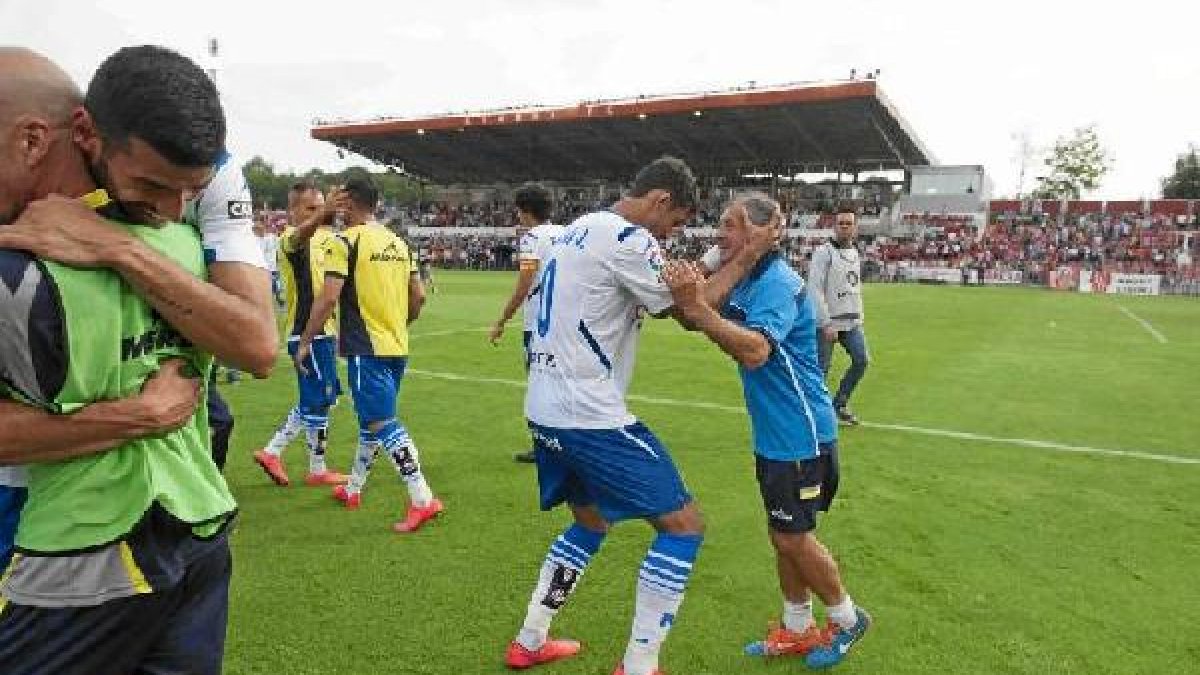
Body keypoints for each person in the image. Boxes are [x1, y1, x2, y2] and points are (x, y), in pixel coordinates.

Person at [0, 45, 238, 674]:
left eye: (186, 191)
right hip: (199, 530)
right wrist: (136, 414)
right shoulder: (184, 248)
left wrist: (119, 250)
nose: (170, 208)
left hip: (81, 551)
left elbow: (258, 345)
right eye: (155, 188)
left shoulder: (19, 271)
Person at [504, 157, 778, 675]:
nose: (670, 235)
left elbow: (679, 280)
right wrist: (747, 257)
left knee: (590, 523)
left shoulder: (583, 226)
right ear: (659, 202)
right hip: (587, 414)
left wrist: (722, 253)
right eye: (674, 223)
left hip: (543, 408)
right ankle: (639, 665)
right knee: (683, 526)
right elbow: (692, 310)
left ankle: (530, 639)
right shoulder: (630, 239)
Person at [663, 193, 871, 671]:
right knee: (783, 533)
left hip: (802, 435)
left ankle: (847, 617)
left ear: (759, 233)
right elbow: (689, 312)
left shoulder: (778, 282)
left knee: (793, 537)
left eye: (731, 225)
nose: (721, 233)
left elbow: (754, 350)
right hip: (776, 434)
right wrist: (730, 260)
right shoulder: (752, 274)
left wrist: (704, 311)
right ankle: (798, 628)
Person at [295, 175, 442, 533]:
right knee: (371, 421)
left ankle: (422, 498)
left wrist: (305, 341)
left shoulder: (344, 242)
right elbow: (419, 297)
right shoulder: (398, 242)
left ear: (346, 202)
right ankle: (354, 488)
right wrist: (399, 325)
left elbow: (328, 298)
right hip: (397, 345)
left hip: (366, 347)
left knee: (382, 423)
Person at [254, 181, 349, 487]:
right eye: (311, 207)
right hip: (306, 331)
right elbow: (301, 234)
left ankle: (316, 467)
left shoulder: (326, 239)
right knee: (317, 399)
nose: (320, 212)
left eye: (320, 205)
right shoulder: (289, 240)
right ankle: (274, 451)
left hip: (325, 332)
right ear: (293, 211)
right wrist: (325, 211)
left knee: (323, 399)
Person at [487, 182, 564, 463]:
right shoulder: (566, 233)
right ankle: (567, 443)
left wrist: (502, 319)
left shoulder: (532, 239)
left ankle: (544, 447)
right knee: (562, 382)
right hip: (565, 322)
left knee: (539, 384)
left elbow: (524, 283)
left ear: (525, 210)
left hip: (538, 324)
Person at [808, 208, 868, 425]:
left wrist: (858, 315)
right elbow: (815, 288)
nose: (844, 227)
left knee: (861, 360)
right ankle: (813, 414)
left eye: (848, 223)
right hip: (829, 323)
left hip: (851, 321)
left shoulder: (854, 252)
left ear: (855, 227)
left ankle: (839, 403)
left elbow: (853, 287)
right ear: (834, 226)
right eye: (841, 223)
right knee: (821, 370)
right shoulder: (824, 252)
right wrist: (825, 322)